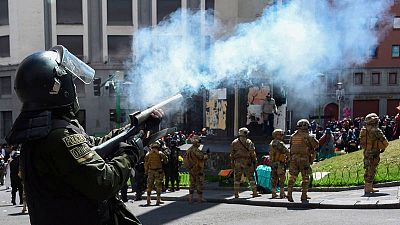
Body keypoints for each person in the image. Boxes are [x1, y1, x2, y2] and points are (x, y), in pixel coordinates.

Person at [6, 46, 163, 225]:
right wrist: (132, 150)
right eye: (70, 82)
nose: (73, 87)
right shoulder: (60, 137)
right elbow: (105, 182)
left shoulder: (49, 132)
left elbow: (93, 144)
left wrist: (135, 128)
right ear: (59, 88)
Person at [287, 119, 318, 203]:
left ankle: (289, 193)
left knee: (292, 177)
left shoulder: (293, 136)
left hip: (294, 159)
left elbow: (291, 146)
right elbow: (316, 145)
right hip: (304, 159)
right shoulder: (309, 136)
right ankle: (303, 195)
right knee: (305, 178)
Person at [359, 113, 389, 194]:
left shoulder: (364, 130)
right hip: (374, 152)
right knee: (371, 169)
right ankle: (368, 188)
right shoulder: (376, 130)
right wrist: (382, 147)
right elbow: (385, 142)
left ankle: (367, 187)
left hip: (366, 152)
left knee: (367, 168)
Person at [230, 127, 260, 199]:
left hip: (237, 162)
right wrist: (255, 161)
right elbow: (252, 152)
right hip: (247, 161)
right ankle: (254, 192)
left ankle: (236, 193)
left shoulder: (234, 142)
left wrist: (232, 162)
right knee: (250, 177)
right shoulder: (249, 142)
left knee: (237, 178)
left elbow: (231, 153)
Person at [185, 135, 208, 203]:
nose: (200, 144)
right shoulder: (196, 150)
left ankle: (190, 199)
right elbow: (201, 157)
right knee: (199, 183)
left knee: (192, 184)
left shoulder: (189, 150)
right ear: (197, 143)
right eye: (199, 142)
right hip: (197, 169)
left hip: (191, 169)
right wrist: (206, 156)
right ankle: (199, 199)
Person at [144, 141, 168, 206]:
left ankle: (148, 200)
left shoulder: (148, 154)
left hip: (150, 171)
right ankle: (158, 200)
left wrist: (146, 171)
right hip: (158, 171)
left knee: (149, 186)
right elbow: (166, 161)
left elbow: (146, 163)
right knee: (158, 186)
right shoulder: (160, 153)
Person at [269, 129, 289, 199]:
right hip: (280, 163)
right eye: (281, 134)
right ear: (276, 135)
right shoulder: (279, 143)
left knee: (274, 178)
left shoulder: (271, 142)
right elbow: (286, 151)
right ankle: (282, 193)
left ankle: (273, 193)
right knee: (282, 178)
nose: (282, 136)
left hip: (273, 163)